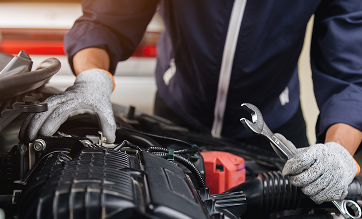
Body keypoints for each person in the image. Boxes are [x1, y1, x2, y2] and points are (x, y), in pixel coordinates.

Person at [22, 0, 362, 204]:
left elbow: (351, 71)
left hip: (274, 128)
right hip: (175, 120)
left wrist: (340, 151)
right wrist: (93, 77)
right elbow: (106, 20)